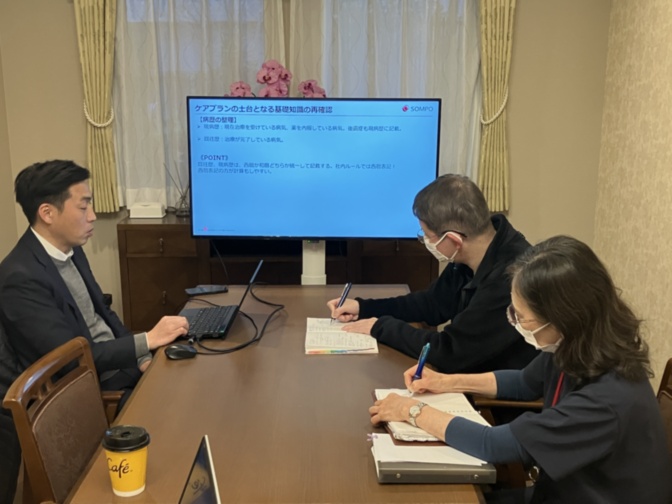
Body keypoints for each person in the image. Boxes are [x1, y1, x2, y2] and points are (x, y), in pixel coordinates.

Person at [369, 236, 672, 504]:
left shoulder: (607, 400)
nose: (515, 323)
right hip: (558, 492)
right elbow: (523, 382)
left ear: (562, 318)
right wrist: (445, 381)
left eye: (522, 317)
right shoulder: (577, 343)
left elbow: (494, 445)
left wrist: (412, 411)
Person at [0, 160, 189, 504]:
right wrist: (146, 340)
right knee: (171, 408)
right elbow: (71, 359)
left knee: (186, 377)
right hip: (80, 384)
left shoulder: (71, 250)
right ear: (47, 213)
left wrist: (143, 354)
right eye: (84, 206)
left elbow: (105, 317)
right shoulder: (19, 277)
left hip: (111, 365)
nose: (92, 216)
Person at [328, 174, 538, 373]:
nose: (426, 241)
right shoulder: (473, 252)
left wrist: (380, 327)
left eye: (427, 235)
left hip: (495, 389)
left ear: (453, 239)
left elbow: (449, 351)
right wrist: (364, 308)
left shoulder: (511, 278)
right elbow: (432, 303)